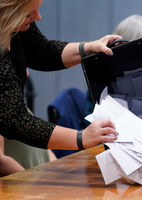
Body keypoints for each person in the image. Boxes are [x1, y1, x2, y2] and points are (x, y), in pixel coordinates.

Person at [0, 0, 119, 160]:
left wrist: (88, 48)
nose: (39, 17)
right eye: (29, 13)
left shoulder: (19, 27)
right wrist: (81, 138)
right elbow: (16, 120)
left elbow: (41, 51)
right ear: (7, 13)